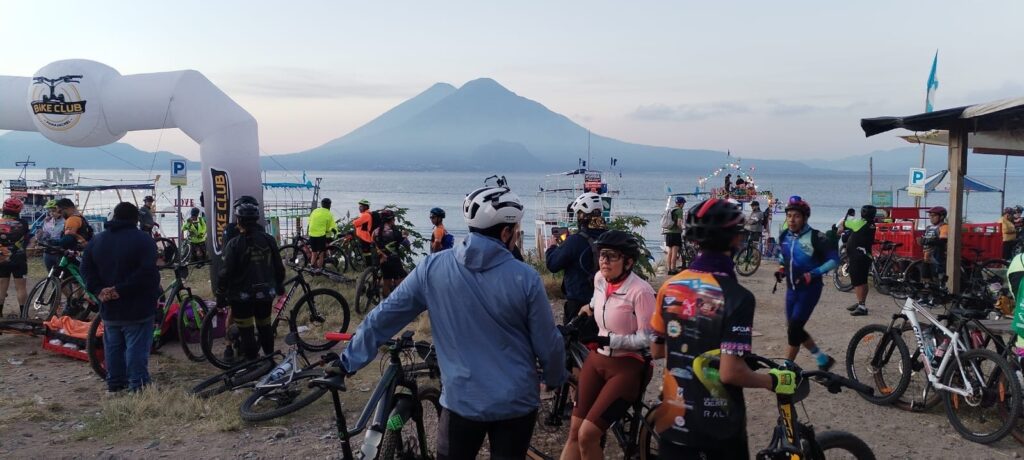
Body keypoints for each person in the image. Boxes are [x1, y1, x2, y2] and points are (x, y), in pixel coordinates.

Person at [335, 184, 565, 459]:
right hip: (516, 403)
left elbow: (384, 317)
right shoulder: (525, 278)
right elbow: (548, 343)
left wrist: (347, 362)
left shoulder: (432, 268)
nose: (516, 235)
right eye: (515, 229)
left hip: (461, 401)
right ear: (505, 232)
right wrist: (553, 377)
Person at [652, 198, 798, 458]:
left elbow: (657, 350)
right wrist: (774, 381)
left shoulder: (670, 287)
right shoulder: (738, 297)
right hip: (718, 428)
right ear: (736, 240)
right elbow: (731, 373)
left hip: (671, 423)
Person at [560, 230, 655, 460]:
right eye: (602, 255)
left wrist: (611, 340)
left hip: (628, 365)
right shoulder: (600, 279)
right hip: (598, 359)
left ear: (628, 262)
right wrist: (584, 312)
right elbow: (597, 300)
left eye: (612, 256)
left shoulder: (641, 291)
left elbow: (648, 338)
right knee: (575, 432)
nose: (604, 260)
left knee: (588, 435)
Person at [80, 202, 161, 393]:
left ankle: (115, 384)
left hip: (109, 306)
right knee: (136, 347)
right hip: (137, 304)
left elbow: (86, 269)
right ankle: (138, 385)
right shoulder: (144, 240)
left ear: (114, 216)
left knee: (113, 347)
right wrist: (120, 290)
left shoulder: (97, 240)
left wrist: (99, 290)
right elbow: (148, 272)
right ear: (136, 219)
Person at [217, 199, 286, 361]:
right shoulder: (269, 239)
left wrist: (221, 293)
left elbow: (226, 272)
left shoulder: (234, 244)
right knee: (265, 328)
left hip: (242, 296)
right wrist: (279, 285)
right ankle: (269, 360)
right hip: (265, 293)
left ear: (239, 220)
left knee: (247, 331)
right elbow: (279, 266)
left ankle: (252, 363)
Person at [776, 196, 839, 370]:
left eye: (796, 216)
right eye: (789, 216)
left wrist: (813, 274)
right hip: (791, 289)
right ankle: (823, 360)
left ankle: (787, 365)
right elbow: (782, 254)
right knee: (793, 328)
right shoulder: (784, 235)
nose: (791, 220)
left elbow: (834, 260)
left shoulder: (816, 237)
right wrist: (781, 268)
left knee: (795, 327)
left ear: (804, 218)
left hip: (809, 290)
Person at [545, 192, 608, 324]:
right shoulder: (609, 237)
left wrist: (552, 247)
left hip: (578, 304)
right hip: (605, 302)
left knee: (575, 337)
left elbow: (553, 264)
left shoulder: (575, 241)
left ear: (582, 216)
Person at [844, 205, 877, 316]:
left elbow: (845, 223)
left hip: (857, 257)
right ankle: (861, 302)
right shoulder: (872, 225)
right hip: (866, 255)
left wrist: (848, 216)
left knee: (858, 282)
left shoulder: (859, 223)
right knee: (863, 280)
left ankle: (862, 307)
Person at [0, 198, 30, 318]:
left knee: (1, 286)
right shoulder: (23, 223)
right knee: (21, 287)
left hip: (2, 258)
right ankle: (23, 315)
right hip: (19, 258)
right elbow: (28, 238)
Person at [372, 209, 410, 298]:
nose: (394, 220)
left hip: (383, 260)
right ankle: (398, 303)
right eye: (394, 219)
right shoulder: (395, 232)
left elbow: (373, 243)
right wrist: (405, 236)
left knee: (386, 283)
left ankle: (385, 302)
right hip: (394, 260)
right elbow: (406, 244)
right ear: (391, 220)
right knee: (401, 285)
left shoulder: (375, 231)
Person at [33, 199, 65, 271]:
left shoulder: (66, 221)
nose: (51, 213)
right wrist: (40, 235)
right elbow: (45, 234)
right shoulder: (48, 221)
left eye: (53, 211)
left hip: (60, 252)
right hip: (48, 251)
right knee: (50, 273)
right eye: (50, 211)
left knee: (62, 273)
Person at [307, 198, 337, 269]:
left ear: (322, 204)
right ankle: (319, 270)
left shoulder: (315, 211)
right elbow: (330, 227)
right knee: (321, 255)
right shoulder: (329, 214)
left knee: (314, 253)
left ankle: (312, 268)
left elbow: (309, 221)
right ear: (329, 205)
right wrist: (334, 233)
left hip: (311, 234)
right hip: (320, 235)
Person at [921, 206, 949, 280]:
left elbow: (943, 241)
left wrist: (931, 241)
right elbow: (924, 239)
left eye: (934, 216)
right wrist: (922, 241)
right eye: (930, 216)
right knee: (925, 279)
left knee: (936, 279)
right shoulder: (928, 227)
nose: (931, 218)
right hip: (927, 258)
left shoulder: (944, 227)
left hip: (938, 258)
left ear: (942, 217)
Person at [662, 196, 686, 275]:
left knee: (669, 252)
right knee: (675, 252)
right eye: (683, 203)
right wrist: (682, 229)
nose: (683, 205)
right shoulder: (679, 210)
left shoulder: (671, 209)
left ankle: (669, 269)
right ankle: (673, 269)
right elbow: (679, 223)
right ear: (681, 204)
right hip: (675, 233)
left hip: (668, 233)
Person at [352, 199, 374, 266]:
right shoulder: (364, 214)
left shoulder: (366, 215)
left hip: (365, 237)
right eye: (359, 206)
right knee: (365, 252)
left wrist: (354, 221)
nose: (359, 208)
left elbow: (356, 223)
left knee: (367, 253)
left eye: (361, 206)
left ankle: (369, 266)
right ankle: (368, 266)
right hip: (363, 236)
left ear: (366, 207)